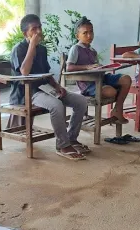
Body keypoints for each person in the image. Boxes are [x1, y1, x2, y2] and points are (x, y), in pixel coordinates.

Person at [10, 14, 89, 161]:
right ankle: (63, 145)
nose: (39, 31)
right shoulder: (19, 49)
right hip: (28, 93)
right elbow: (24, 72)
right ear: (25, 33)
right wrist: (32, 46)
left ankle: (71, 139)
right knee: (56, 105)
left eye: (40, 27)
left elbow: (46, 72)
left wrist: (57, 86)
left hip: (46, 88)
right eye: (34, 29)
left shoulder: (42, 49)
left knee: (81, 102)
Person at [66, 17, 132, 124]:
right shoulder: (76, 48)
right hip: (88, 84)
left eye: (91, 32)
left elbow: (95, 67)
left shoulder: (93, 51)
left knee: (126, 79)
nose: (89, 35)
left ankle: (117, 109)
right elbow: (69, 67)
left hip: (100, 78)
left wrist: (101, 67)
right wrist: (87, 67)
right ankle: (115, 102)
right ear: (77, 36)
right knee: (111, 91)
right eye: (85, 33)